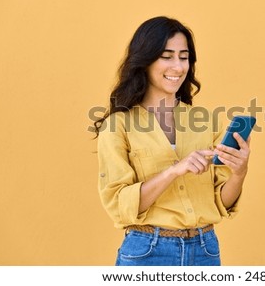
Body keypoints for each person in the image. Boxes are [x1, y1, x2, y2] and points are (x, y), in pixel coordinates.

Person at [94, 16, 251, 266]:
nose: (178, 67)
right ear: (145, 60)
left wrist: (239, 172)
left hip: (205, 250)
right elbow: (119, 205)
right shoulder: (117, 126)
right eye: (166, 56)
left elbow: (221, 202)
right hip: (147, 252)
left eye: (184, 56)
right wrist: (174, 171)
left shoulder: (205, 121)